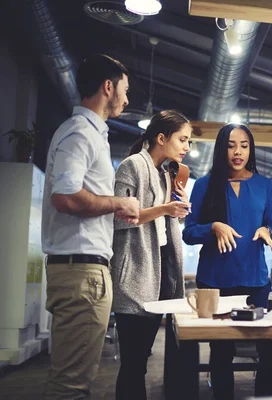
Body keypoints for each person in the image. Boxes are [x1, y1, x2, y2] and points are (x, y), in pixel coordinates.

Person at [41, 54, 140, 399]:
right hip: (81, 272)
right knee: (71, 385)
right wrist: (119, 203)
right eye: (124, 91)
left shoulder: (90, 134)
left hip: (82, 271)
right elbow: (65, 197)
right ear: (107, 87)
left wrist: (114, 210)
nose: (127, 100)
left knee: (74, 378)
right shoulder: (81, 132)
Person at [182, 123, 272, 400]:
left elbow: (270, 223)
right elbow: (188, 233)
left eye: (243, 145)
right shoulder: (204, 185)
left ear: (250, 149)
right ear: (221, 149)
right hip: (215, 282)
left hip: (256, 282)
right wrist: (212, 227)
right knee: (221, 354)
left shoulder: (264, 185)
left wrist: (267, 232)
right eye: (230, 146)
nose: (237, 152)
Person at [110, 110, 192, 399]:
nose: (186, 147)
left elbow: (163, 226)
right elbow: (119, 219)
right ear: (161, 138)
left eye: (188, 141)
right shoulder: (132, 165)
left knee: (141, 362)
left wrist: (177, 211)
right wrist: (165, 209)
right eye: (182, 139)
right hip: (134, 276)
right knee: (133, 364)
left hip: (157, 278)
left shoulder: (164, 174)